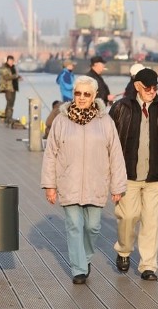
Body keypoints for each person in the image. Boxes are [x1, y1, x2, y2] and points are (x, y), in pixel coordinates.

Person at [40, 75, 127, 285]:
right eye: (77, 93)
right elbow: (50, 153)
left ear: (94, 96)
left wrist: (118, 186)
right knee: (74, 225)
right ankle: (79, 269)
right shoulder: (61, 120)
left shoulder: (105, 121)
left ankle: (85, 257)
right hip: (68, 182)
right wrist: (50, 185)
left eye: (86, 94)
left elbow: (115, 154)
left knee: (93, 227)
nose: (81, 97)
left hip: (96, 183)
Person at [109, 68, 158, 280]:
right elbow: (110, 141)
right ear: (137, 86)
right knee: (128, 217)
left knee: (151, 222)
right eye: (148, 87)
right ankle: (123, 250)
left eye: (155, 87)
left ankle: (148, 266)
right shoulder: (121, 108)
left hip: (155, 177)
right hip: (127, 175)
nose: (152, 91)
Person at [0, 55, 22, 125]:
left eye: (12, 61)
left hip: (13, 88)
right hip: (7, 88)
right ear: (7, 61)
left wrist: (18, 78)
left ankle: (8, 118)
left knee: (11, 103)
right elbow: (6, 77)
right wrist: (15, 76)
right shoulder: (4, 68)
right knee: (10, 102)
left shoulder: (13, 67)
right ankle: (8, 118)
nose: (12, 62)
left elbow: (14, 76)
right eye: (10, 61)